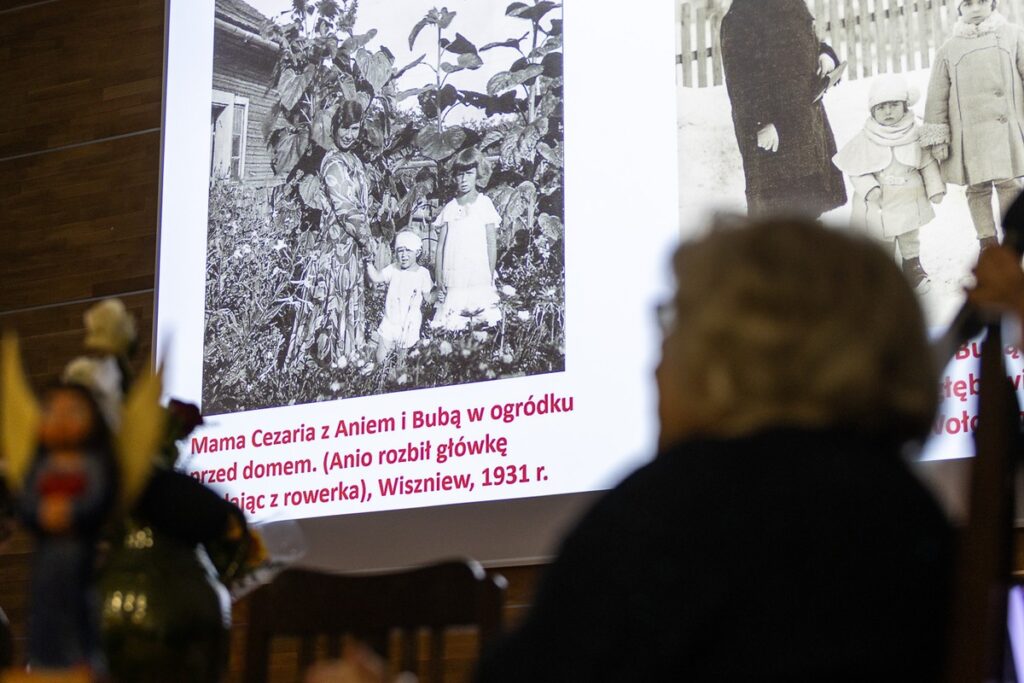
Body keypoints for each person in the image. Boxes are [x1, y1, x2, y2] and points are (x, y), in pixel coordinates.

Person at [311, 217, 955, 682]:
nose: (657, 359)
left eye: (674, 323)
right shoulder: (910, 516)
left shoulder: (683, 511)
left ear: (734, 354)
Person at [719, 0, 848, 218]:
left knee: (809, 199)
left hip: (804, 120)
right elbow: (741, 80)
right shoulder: (741, 15)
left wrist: (824, 54)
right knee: (779, 209)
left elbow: (808, 42)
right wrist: (760, 123)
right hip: (773, 131)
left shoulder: (793, 5)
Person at [922, 0, 1024, 251]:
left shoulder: (1013, 36)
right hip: (969, 136)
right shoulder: (949, 49)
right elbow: (937, 96)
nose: (976, 9)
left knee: (1008, 183)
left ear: (992, 4)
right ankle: (986, 241)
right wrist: (938, 136)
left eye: (981, 1)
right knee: (977, 188)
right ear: (959, 9)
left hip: (1005, 128)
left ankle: (1013, 240)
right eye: (967, 3)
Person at [833, 74, 946, 293]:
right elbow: (855, 170)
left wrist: (935, 188)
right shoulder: (866, 137)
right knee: (881, 236)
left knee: (909, 234)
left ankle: (912, 266)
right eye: (881, 107)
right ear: (872, 111)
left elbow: (927, 164)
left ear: (905, 106)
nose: (888, 112)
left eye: (894, 105)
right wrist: (869, 188)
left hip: (908, 197)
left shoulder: (915, 132)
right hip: (880, 202)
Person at [292, 100, 373, 366]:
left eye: (355, 128)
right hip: (335, 251)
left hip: (350, 252)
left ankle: (344, 365)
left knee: (346, 305)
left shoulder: (355, 160)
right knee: (329, 307)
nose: (350, 135)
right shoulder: (334, 163)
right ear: (335, 127)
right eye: (345, 128)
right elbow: (347, 211)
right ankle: (322, 369)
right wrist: (369, 244)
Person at [431, 148, 502, 331]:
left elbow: (491, 243)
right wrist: (439, 279)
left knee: (481, 322)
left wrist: (489, 274)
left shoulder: (484, 204)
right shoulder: (449, 208)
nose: (463, 180)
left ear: (477, 175)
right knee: (454, 323)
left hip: (478, 275)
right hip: (454, 275)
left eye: (468, 174)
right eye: (460, 175)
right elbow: (440, 248)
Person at [365, 230, 435, 363]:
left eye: (408, 251)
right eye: (400, 251)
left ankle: (397, 380)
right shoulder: (393, 268)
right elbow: (376, 277)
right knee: (380, 358)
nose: (403, 255)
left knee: (401, 362)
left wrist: (440, 291)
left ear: (417, 252)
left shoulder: (423, 273)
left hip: (409, 323)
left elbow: (428, 297)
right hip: (389, 320)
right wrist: (368, 262)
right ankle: (381, 379)